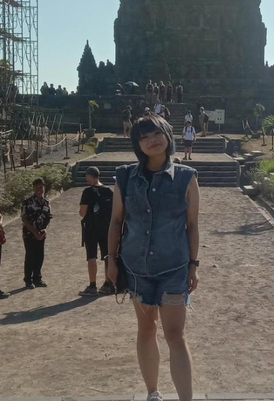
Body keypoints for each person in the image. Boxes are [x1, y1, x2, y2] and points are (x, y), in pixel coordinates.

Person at [107, 114, 200, 401]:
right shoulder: (124, 177)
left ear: (169, 136)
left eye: (156, 133)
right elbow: (116, 221)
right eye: (144, 137)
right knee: (146, 329)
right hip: (136, 267)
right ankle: (152, 393)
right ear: (138, 144)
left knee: (175, 335)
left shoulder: (186, 176)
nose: (152, 140)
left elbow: (193, 225)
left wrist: (194, 266)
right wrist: (111, 260)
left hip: (174, 266)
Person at [79, 167, 115, 296]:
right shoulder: (108, 191)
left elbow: (82, 212)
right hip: (106, 228)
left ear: (90, 176)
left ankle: (92, 285)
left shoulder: (88, 192)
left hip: (91, 228)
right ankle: (108, 283)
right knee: (107, 255)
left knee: (91, 256)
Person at [21, 178, 52, 289]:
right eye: (37, 187)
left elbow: (48, 217)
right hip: (29, 234)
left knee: (40, 256)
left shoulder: (46, 202)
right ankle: (28, 280)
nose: (39, 189)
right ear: (33, 188)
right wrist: (34, 232)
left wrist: (45, 229)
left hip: (41, 234)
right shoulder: (27, 202)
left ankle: (37, 278)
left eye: (41, 187)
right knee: (30, 256)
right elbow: (24, 219)